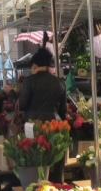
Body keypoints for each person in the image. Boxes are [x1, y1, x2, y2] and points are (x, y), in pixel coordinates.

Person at [16, 47, 68, 182]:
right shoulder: (60, 82)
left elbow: (22, 105)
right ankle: (56, 189)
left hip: (32, 126)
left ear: (34, 65)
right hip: (54, 125)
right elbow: (63, 110)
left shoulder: (29, 81)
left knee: (35, 157)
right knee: (54, 158)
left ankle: (35, 189)